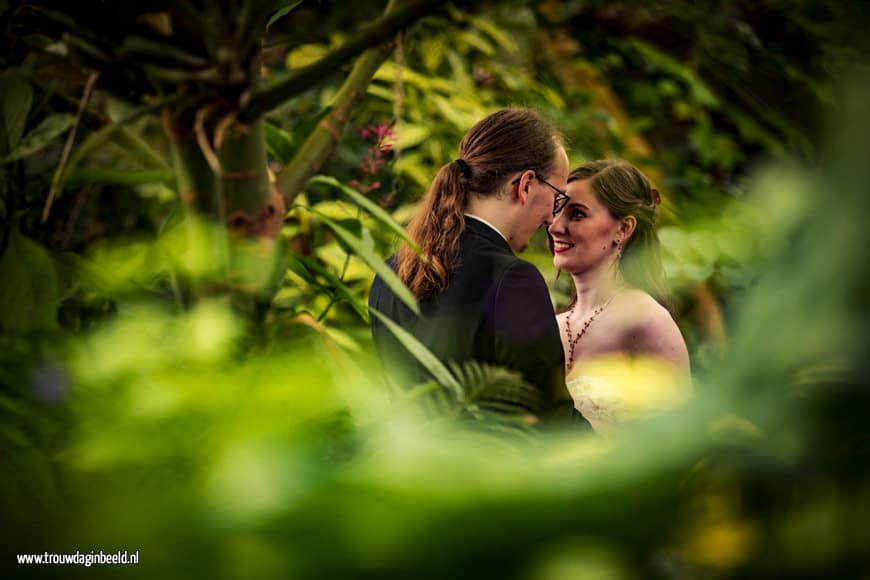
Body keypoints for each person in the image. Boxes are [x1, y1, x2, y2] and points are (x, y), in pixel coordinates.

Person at [369, 108, 583, 424]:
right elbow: (551, 420)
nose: (553, 218)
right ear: (525, 185)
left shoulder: (390, 274)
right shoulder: (512, 279)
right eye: (556, 198)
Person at [548, 159, 691, 434]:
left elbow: (678, 441)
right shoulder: (551, 325)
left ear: (623, 229)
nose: (555, 226)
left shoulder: (646, 320)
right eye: (556, 211)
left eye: (576, 214)